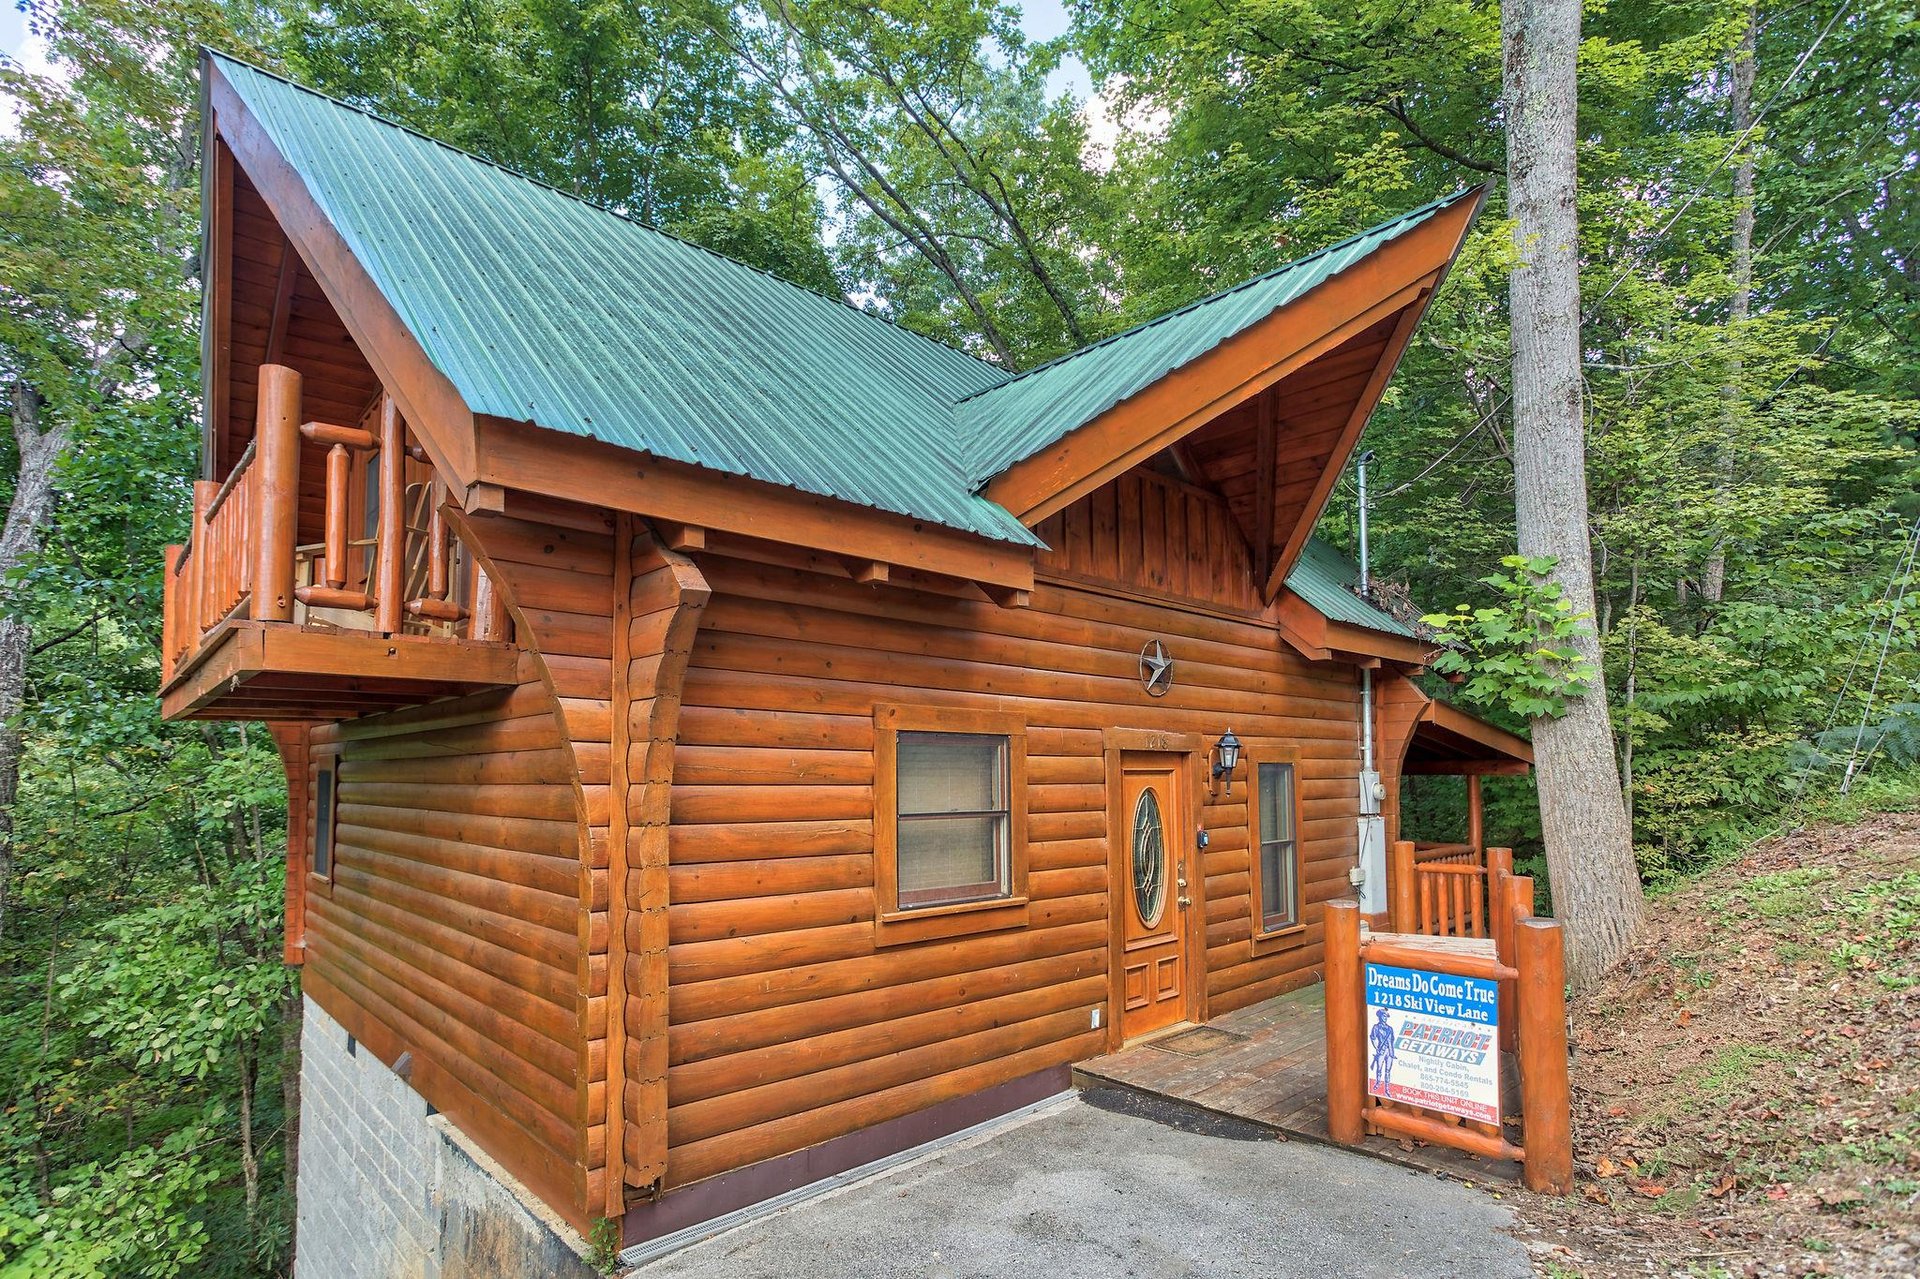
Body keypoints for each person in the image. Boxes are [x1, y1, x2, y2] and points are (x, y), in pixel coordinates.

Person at [1369, 1007, 1396, 1093]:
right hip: (1381, 1050)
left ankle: (1387, 1088)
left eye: (1386, 1016)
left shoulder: (1390, 1028)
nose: (1385, 1018)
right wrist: (1377, 1048)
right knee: (1379, 1068)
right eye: (1383, 1016)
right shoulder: (1376, 1027)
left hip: (1390, 1051)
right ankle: (1377, 1083)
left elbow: (1392, 1040)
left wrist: (1392, 1052)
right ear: (1380, 1016)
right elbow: (1373, 1038)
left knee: (1388, 1070)